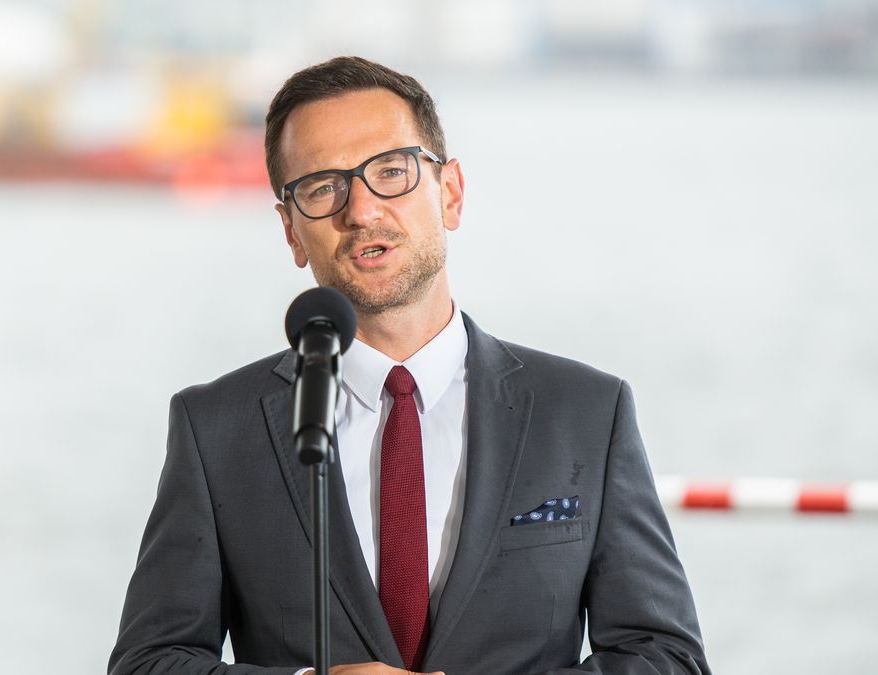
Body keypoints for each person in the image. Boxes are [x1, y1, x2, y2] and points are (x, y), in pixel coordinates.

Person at [108, 56, 710, 675]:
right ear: (290, 230)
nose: (362, 211)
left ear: (449, 192)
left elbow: (666, 657)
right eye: (322, 187)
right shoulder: (216, 427)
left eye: (390, 172)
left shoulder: (586, 411)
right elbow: (148, 663)